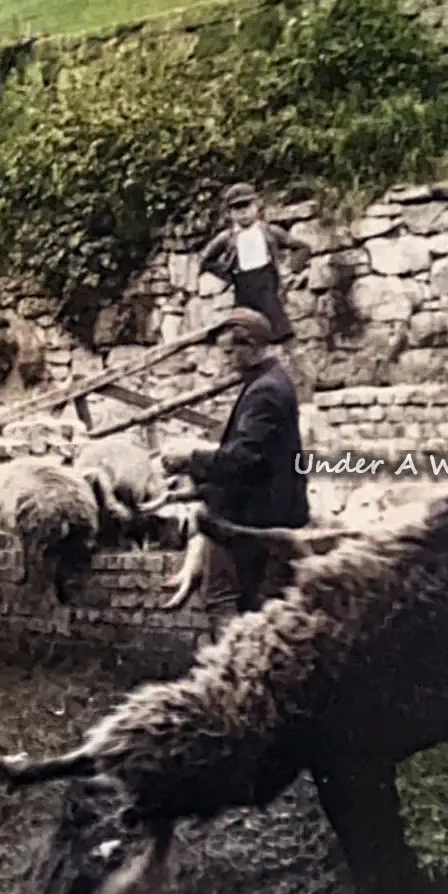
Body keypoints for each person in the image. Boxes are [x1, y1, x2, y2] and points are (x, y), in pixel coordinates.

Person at [166, 307, 308, 629]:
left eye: (230, 352)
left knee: (222, 600)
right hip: (268, 515)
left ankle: (234, 659)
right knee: (260, 606)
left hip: (248, 520)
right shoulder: (271, 382)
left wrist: (191, 458)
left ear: (251, 346)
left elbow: (244, 458)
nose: (224, 360)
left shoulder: (266, 391)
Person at [200, 183, 310, 345]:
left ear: (256, 205)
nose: (243, 213)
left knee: (280, 332)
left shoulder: (270, 232)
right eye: (237, 208)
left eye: (247, 206)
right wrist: (227, 273)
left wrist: (290, 270)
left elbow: (301, 248)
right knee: (244, 335)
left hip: (267, 286)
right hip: (243, 289)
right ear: (230, 213)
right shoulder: (227, 238)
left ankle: (285, 355)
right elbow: (206, 260)